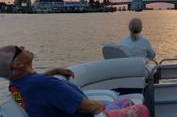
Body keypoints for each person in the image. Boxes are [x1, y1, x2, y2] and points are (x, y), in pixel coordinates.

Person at [0, 45, 150, 117]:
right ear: (17, 64)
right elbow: (90, 108)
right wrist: (107, 107)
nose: (23, 47)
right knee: (141, 110)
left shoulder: (15, 86)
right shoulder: (47, 85)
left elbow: (34, 84)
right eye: (19, 49)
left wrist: (53, 72)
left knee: (126, 103)